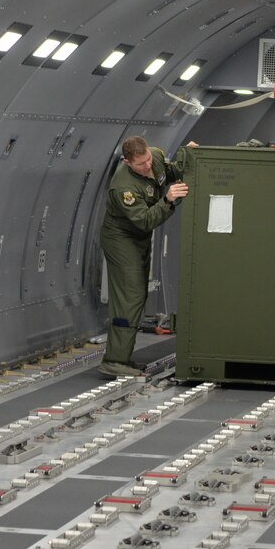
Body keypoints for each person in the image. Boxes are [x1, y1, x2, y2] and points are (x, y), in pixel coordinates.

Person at [98, 137, 190, 377]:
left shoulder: (156, 156)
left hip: (139, 239)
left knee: (138, 293)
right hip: (121, 239)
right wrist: (168, 200)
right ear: (127, 162)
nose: (148, 166)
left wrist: (188, 156)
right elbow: (146, 219)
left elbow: (171, 171)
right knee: (130, 295)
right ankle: (114, 360)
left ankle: (123, 357)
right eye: (140, 164)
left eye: (148, 159)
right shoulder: (123, 187)